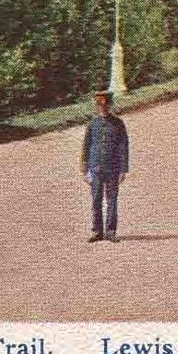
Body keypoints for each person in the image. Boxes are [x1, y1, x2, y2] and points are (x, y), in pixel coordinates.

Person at [80, 91, 129, 243]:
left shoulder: (118, 124)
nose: (103, 108)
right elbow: (86, 145)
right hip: (95, 167)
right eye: (100, 106)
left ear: (110, 105)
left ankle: (111, 231)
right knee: (96, 200)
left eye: (106, 105)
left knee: (112, 200)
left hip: (113, 168)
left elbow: (123, 147)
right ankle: (97, 231)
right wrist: (84, 167)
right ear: (96, 106)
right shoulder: (92, 124)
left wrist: (123, 169)